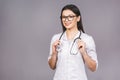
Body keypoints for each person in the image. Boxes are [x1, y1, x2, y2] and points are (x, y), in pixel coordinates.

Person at [48, 4, 98, 80]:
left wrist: (84, 53)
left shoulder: (87, 39)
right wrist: (54, 53)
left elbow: (93, 68)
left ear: (78, 18)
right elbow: (52, 66)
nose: (66, 20)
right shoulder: (56, 38)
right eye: (64, 17)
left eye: (70, 16)